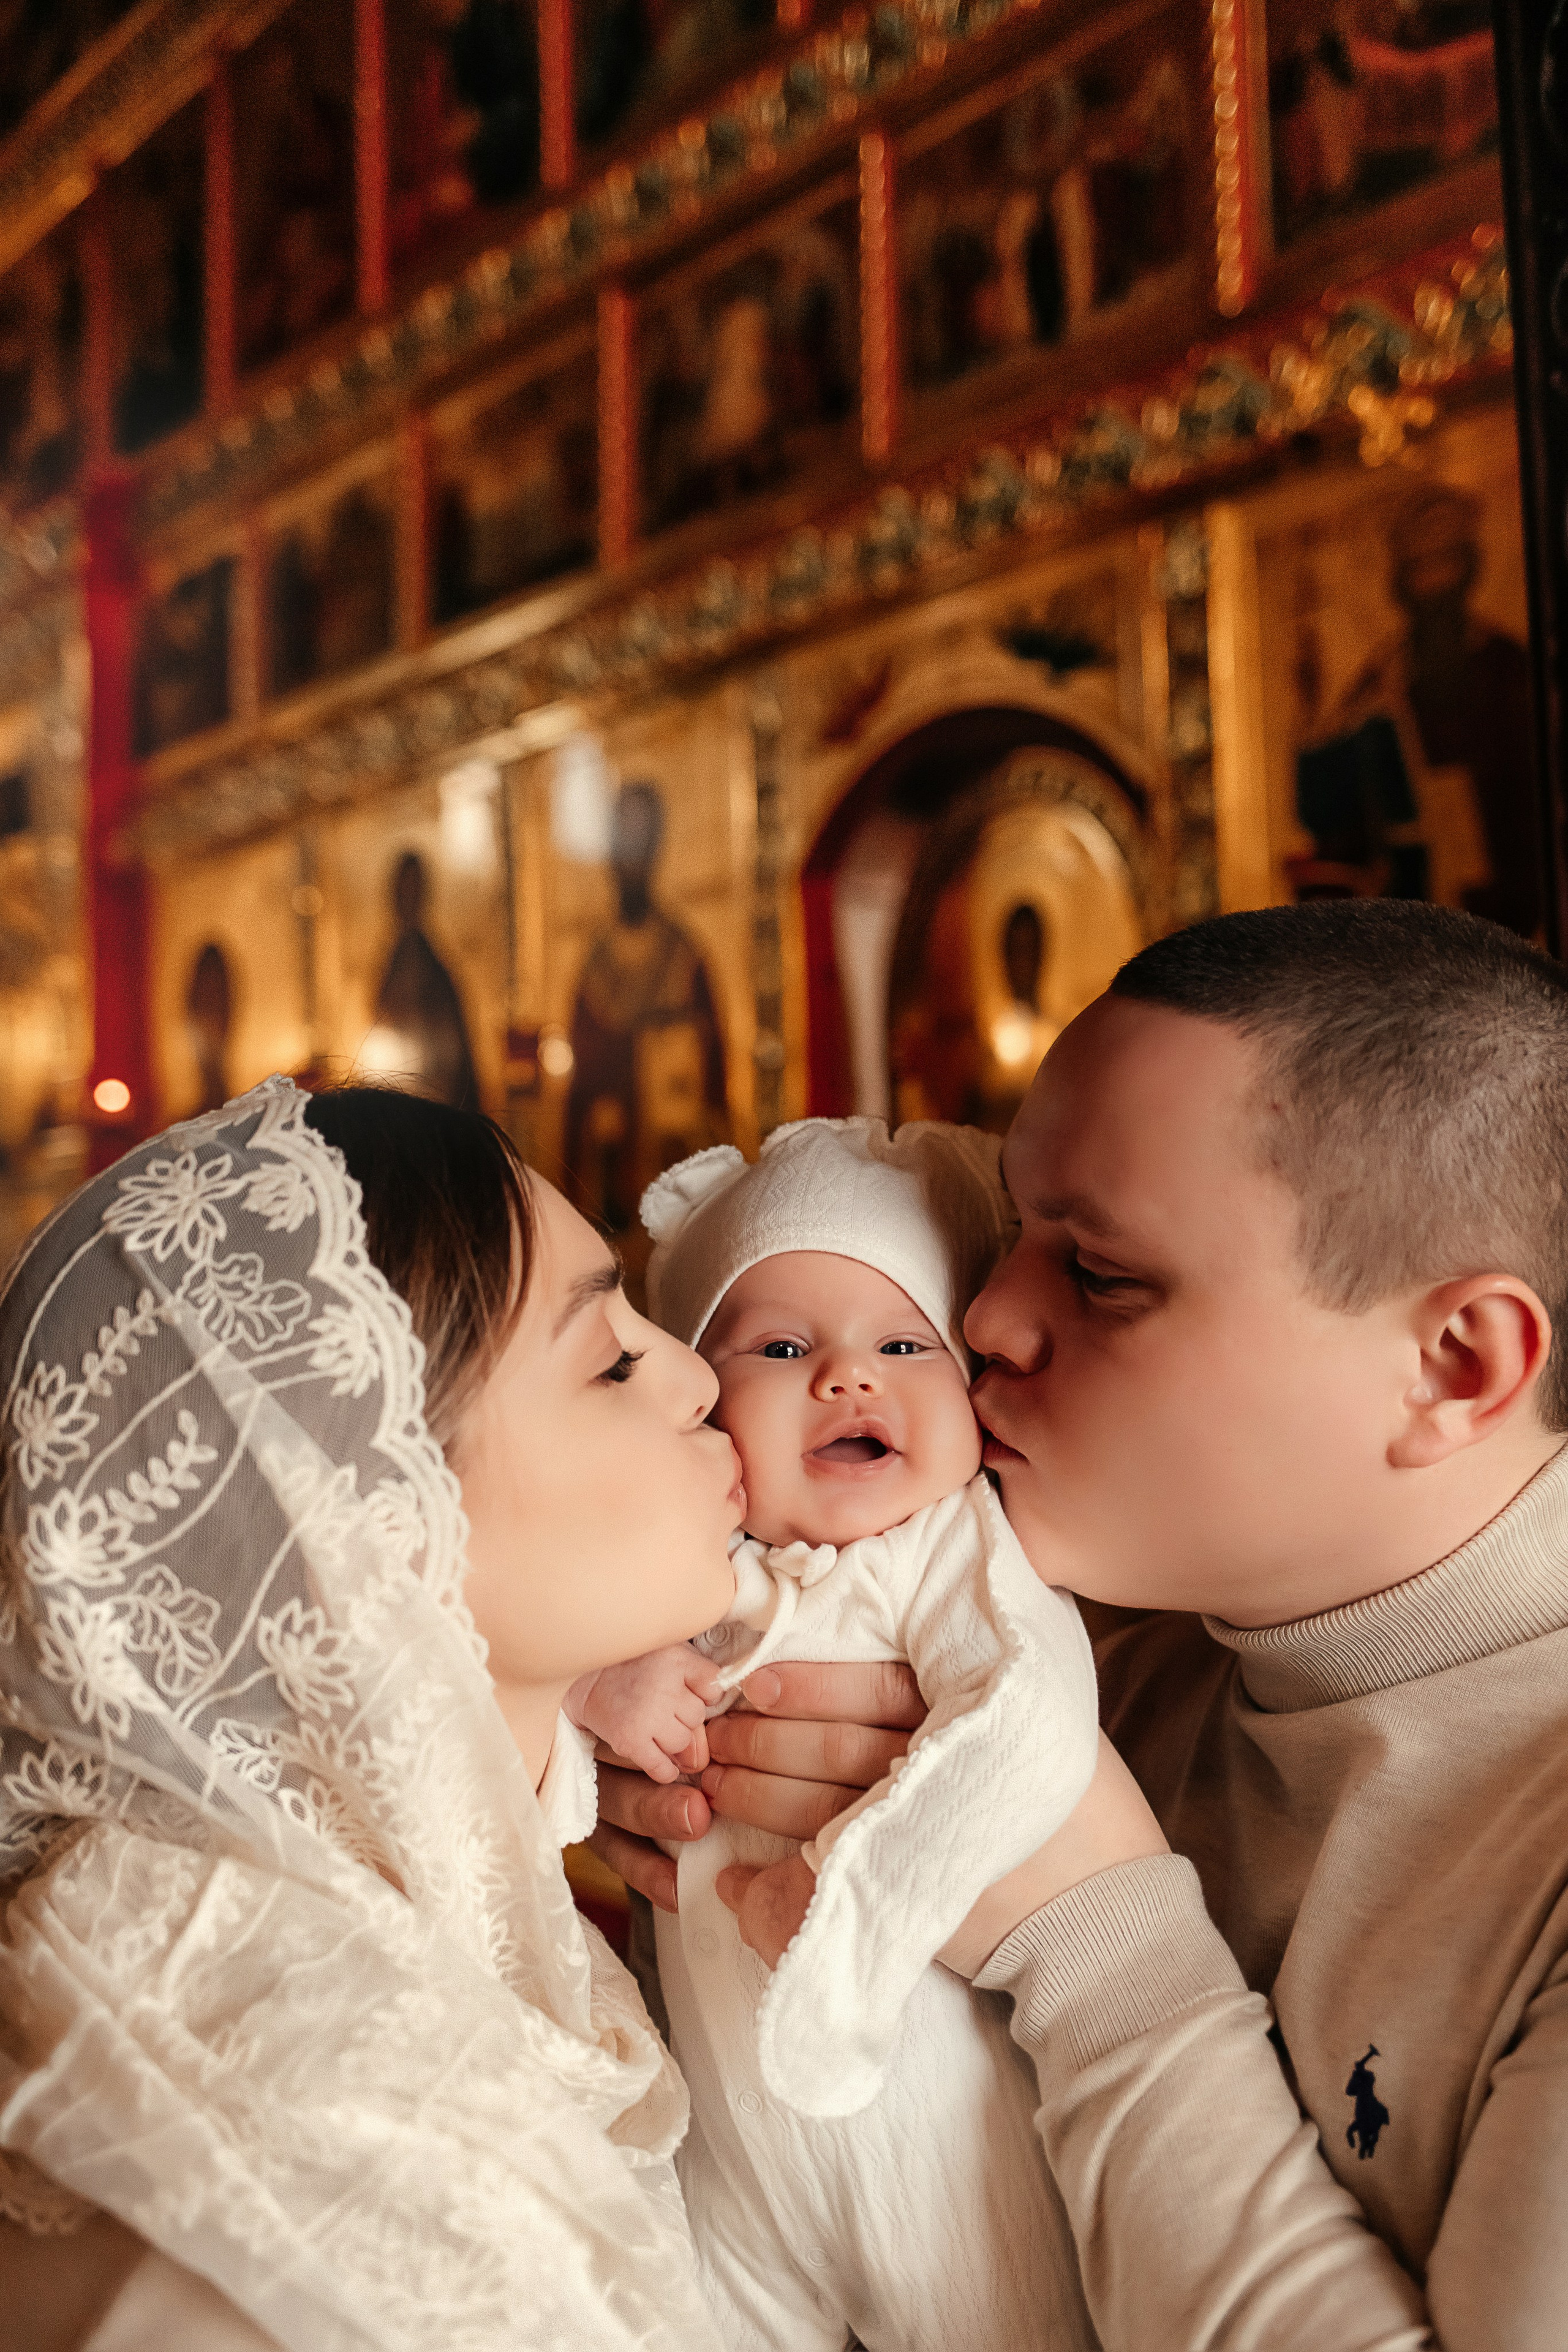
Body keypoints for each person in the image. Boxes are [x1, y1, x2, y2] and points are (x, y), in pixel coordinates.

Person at [596, 899, 1568, 2347]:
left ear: (1452, 1365)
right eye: (1004, 1240)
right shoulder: (1039, 1629)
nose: (984, 1320)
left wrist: (1096, 1935)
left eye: (1100, 1275)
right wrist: (678, 1836)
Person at [0, 1077, 744, 2351]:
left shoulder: (367, 1924)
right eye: (610, 1360)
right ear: (361, 1520)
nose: (693, 1376)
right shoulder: (311, 2155)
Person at [570, 1117, 1098, 2350]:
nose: (848, 1379)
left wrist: (847, 1900)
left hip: (947, 2154)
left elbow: (1028, 1726)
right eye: (781, 1347)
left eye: (904, 1344)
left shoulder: (948, 1551)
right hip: (733, 2158)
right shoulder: (683, 1557)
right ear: (701, 1405)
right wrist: (598, 1691)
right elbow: (525, 1668)